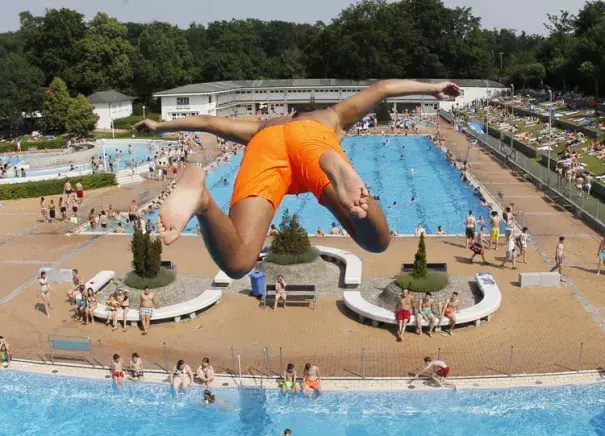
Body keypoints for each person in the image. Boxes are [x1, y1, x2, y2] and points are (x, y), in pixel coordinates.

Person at [133, 80, 460, 279]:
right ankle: (348, 185)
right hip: (314, 145)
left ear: (290, 114)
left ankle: (203, 201)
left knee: (238, 262)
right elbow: (383, 88)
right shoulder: (330, 117)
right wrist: (433, 89)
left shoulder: (265, 126)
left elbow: (206, 122)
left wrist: (159, 126)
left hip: (266, 146)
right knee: (376, 241)